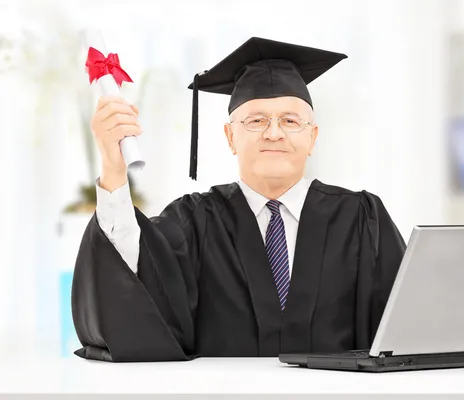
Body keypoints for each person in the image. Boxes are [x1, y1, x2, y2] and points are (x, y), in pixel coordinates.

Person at [72, 37, 407, 362]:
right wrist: (114, 171)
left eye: (290, 121)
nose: (273, 133)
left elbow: (406, 328)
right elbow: (134, 286)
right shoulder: (194, 221)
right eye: (256, 120)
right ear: (230, 136)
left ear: (312, 137)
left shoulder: (362, 219)